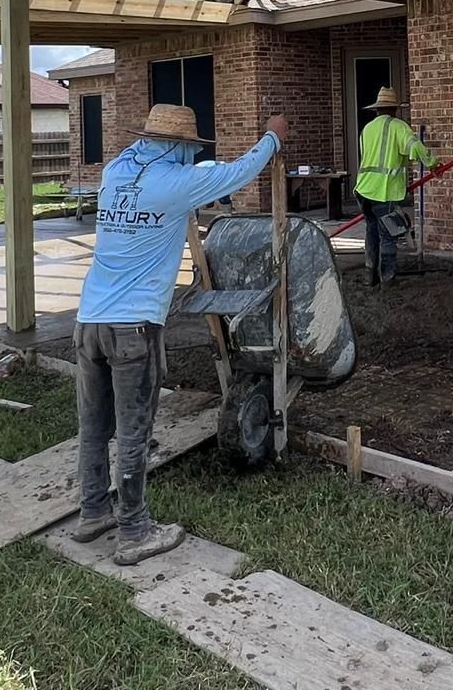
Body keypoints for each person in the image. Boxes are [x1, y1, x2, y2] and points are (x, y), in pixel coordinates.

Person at [73, 103, 288, 565]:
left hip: (89, 320)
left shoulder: (116, 170)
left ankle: (93, 512)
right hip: (132, 327)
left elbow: (171, 170)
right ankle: (134, 532)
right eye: (189, 149)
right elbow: (239, 173)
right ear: (178, 147)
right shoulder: (176, 183)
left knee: (94, 427)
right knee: (134, 431)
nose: (193, 157)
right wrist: (272, 137)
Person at [353, 87, 432, 287]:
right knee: (388, 235)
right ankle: (388, 279)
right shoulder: (399, 126)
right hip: (384, 191)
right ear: (395, 109)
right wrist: (433, 163)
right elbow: (415, 147)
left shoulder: (367, 129)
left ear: (377, 109)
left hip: (363, 190)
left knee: (371, 230)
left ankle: (370, 274)